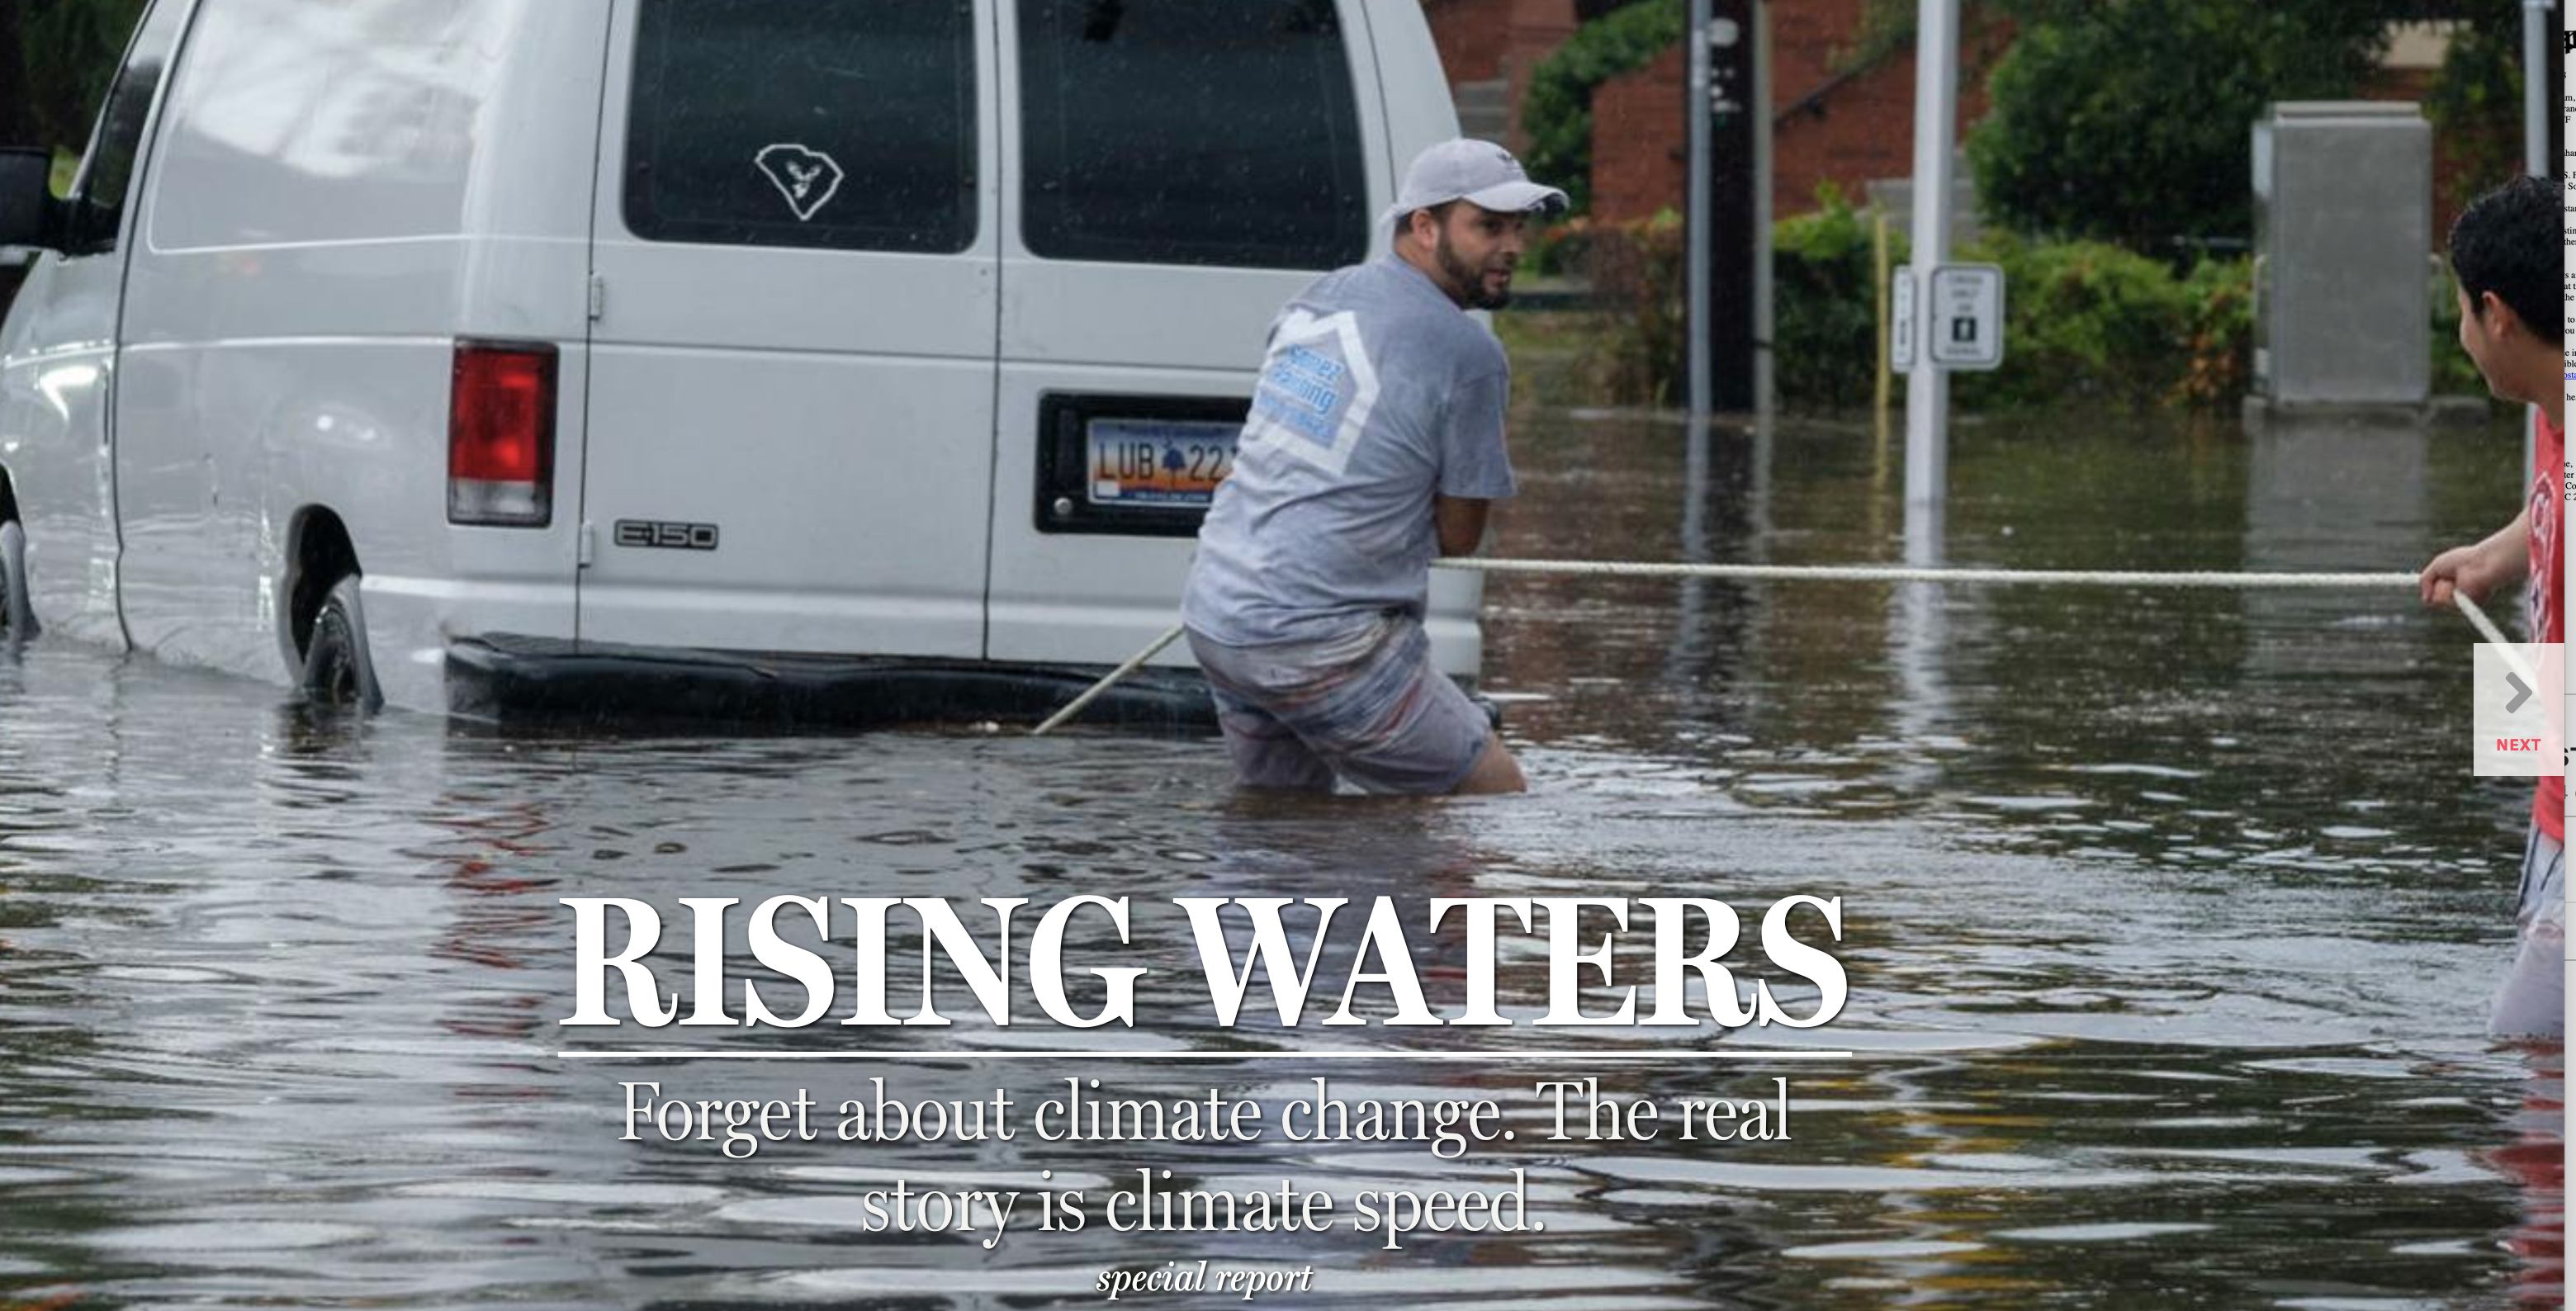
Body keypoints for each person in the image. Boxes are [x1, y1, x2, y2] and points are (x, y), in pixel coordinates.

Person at [1180, 140, 1565, 796]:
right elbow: (1460, 536)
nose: (1512, 247)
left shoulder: (1317, 298)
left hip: (1219, 613)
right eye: (1489, 226)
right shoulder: (1469, 354)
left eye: (1519, 228)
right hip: (1318, 638)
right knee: (1494, 798)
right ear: (1424, 226)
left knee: (1282, 821)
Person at [2417, 174, 2565, 1040]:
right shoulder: (2557, 399)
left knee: (2525, 1060)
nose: (2464, 337)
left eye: (2464, 314)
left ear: (2498, 313)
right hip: (2552, 808)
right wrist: (2495, 557)